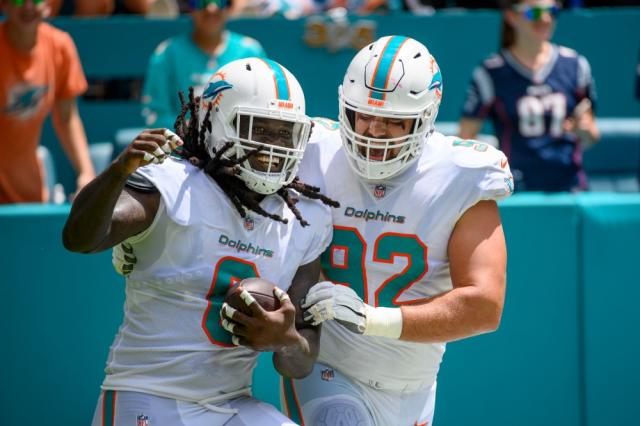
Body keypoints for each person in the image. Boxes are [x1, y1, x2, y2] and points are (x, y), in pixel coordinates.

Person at [220, 36, 514, 425]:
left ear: (425, 118)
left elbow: (484, 306)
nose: (374, 130)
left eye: (393, 120)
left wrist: (372, 318)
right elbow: (224, 158)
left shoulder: (460, 175)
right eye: (363, 114)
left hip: (416, 382)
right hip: (329, 369)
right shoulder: (313, 151)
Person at [63, 57, 338, 425]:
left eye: (283, 133)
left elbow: (299, 364)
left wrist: (284, 338)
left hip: (231, 402)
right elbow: (80, 238)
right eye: (259, 129)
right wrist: (117, 172)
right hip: (148, 394)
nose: (273, 148)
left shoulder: (305, 219)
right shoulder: (172, 185)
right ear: (216, 122)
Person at [458, 0, 600, 192]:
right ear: (510, 16)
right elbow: (466, 136)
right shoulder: (490, 73)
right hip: (516, 191)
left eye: (552, 11)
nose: (545, 18)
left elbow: (591, 135)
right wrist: (493, 155)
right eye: (534, 12)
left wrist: (584, 132)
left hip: (570, 188)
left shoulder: (575, 66)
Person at [0, 0, 95, 203]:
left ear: (48, 4)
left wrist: (86, 173)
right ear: (4, 5)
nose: (27, 7)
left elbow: (67, 118)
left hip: (29, 190)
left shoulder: (60, 45)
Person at [141, 0, 266, 129]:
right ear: (190, 7)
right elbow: (156, 115)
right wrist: (196, 131)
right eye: (200, 2)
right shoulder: (167, 53)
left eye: (220, 1)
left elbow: (263, 107)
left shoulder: (250, 51)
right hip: (183, 146)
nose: (211, 8)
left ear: (229, 6)